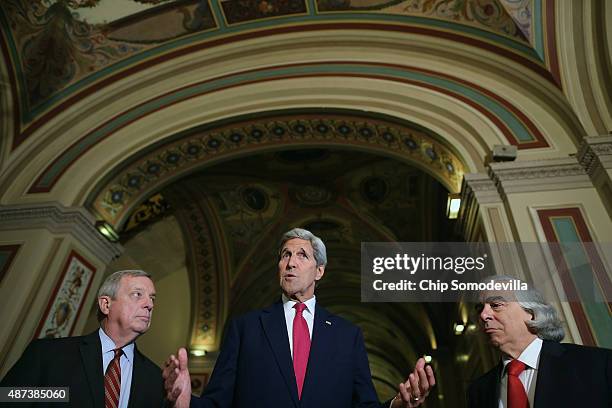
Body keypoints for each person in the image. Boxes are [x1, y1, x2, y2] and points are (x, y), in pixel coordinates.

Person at [164, 228, 435, 408]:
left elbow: (364, 405)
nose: (291, 262)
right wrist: (187, 401)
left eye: (301, 255)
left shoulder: (346, 335)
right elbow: (218, 403)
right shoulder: (245, 328)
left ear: (319, 271)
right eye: (285, 255)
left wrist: (397, 403)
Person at [1, 270, 164, 408]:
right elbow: (8, 398)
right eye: (137, 294)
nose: (149, 304)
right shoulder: (48, 354)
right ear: (106, 305)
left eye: (152, 298)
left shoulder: (157, 380)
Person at [467, 275, 612, 407]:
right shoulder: (479, 390)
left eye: (496, 305)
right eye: (480, 308)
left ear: (531, 312)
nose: (483, 315)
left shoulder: (598, 363)